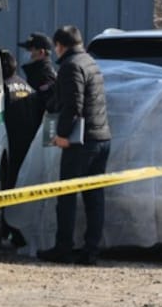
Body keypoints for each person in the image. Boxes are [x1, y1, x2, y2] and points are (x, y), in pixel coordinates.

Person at [36, 25, 111, 265]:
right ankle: (91, 250)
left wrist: (62, 135)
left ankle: (63, 248)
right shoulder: (90, 61)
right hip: (101, 138)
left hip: (81, 142)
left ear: (60, 45)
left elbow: (73, 106)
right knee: (94, 198)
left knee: (66, 196)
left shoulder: (70, 66)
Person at [0, 49, 38, 189]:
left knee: (9, 181)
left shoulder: (3, 87)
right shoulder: (26, 85)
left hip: (11, 141)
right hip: (27, 140)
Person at [18, 31, 56, 111]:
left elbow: (47, 106)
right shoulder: (35, 72)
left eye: (29, 50)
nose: (26, 53)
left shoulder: (46, 75)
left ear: (41, 52)